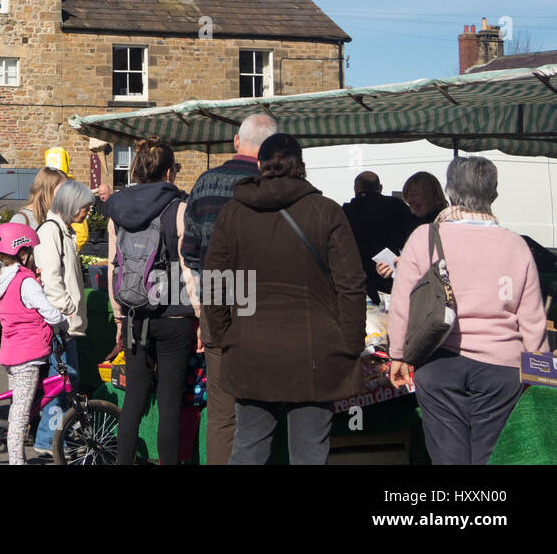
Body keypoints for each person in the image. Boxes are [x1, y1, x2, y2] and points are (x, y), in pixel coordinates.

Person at [205, 133, 366, 465]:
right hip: (314, 353)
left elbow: (215, 285)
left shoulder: (233, 213)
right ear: (301, 166)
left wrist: (225, 337)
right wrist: (350, 344)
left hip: (252, 347)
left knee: (249, 446)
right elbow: (351, 286)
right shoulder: (326, 211)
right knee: (308, 452)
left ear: (261, 166)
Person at [387, 156, 550, 464]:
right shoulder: (515, 245)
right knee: (491, 456)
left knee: (449, 458)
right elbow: (532, 318)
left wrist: (397, 354)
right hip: (502, 370)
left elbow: (401, 302)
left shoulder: (425, 237)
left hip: (438, 364)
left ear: (450, 192)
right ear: (494, 194)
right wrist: (541, 373)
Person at [178, 112, 277, 464]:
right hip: (265, 307)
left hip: (217, 300)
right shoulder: (273, 185)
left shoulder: (205, 183)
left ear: (237, 141)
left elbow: (188, 252)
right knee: (263, 405)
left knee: (221, 409)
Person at [105, 137, 195, 465]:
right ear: (169, 172)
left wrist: (119, 319)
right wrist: (199, 316)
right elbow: (188, 270)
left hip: (133, 315)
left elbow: (116, 264)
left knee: (133, 400)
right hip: (175, 315)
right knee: (170, 403)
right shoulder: (179, 209)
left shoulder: (117, 208)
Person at [0, 222, 68, 466]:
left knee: (20, 406)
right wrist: (64, 321)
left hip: (12, 352)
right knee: (19, 413)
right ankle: (17, 461)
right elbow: (49, 313)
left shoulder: (2, 279)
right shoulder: (25, 282)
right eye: (31, 251)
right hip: (28, 355)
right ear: (21, 252)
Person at [30, 178, 91, 456]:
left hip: (66, 323)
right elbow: (52, 280)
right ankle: (48, 438)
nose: (86, 213)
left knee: (66, 381)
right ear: (69, 204)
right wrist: (67, 309)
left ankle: (55, 437)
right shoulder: (51, 231)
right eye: (83, 208)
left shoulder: (62, 230)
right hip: (61, 323)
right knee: (62, 381)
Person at [342, 171, 418, 303]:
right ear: (380, 188)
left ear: (355, 189)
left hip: (357, 280)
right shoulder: (398, 206)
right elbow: (412, 241)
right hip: (391, 276)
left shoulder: (345, 212)